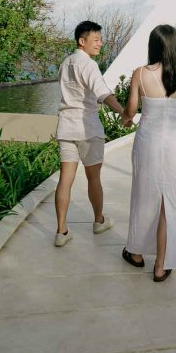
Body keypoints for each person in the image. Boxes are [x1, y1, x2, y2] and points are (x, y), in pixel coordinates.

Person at [121, 24, 176, 281]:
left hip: (148, 144)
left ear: (153, 46)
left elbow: (131, 111)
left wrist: (125, 118)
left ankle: (136, 253)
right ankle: (161, 266)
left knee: (144, 197)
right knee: (171, 203)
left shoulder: (141, 74)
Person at [54, 20, 125, 247]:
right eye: (96, 39)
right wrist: (123, 112)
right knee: (93, 177)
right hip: (87, 128)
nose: (100, 44)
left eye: (100, 40)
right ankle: (98, 221)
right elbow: (103, 93)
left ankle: (61, 231)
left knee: (65, 180)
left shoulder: (65, 63)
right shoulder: (89, 64)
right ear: (81, 41)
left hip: (66, 127)